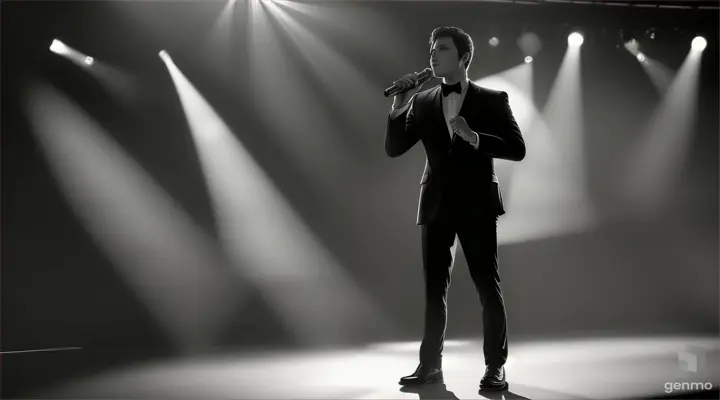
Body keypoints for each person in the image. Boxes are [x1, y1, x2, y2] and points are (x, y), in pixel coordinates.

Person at [385, 26, 526, 392]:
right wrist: (399, 106)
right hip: (435, 204)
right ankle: (429, 364)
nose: (433, 55)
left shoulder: (493, 98)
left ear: (464, 57)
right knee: (434, 290)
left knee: (486, 287)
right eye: (432, 49)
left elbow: (516, 147)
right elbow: (395, 148)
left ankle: (495, 367)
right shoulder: (423, 100)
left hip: (477, 203)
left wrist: (475, 138)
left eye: (442, 49)